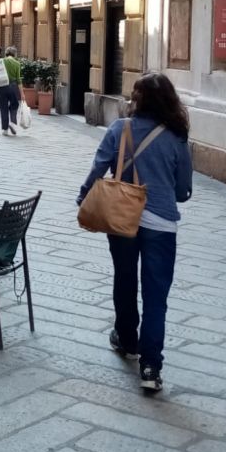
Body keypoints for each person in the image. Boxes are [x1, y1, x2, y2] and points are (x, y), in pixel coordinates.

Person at [77, 73, 193, 393]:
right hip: (161, 224)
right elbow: (184, 190)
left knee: (124, 279)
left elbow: (98, 169)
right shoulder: (177, 137)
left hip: (121, 218)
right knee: (156, 296)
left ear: (137, 99)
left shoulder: (119, 129)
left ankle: (126, 338)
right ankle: (151, 366)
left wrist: (83, 197)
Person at [0, 48, 23, 136]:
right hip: (13, 86)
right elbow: (19, 79)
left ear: (6, 53)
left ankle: (5, 129)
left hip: (2, 86)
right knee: (14, 105)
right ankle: (12, 123)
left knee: (3, 107)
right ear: (14, 54)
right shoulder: (17, 63)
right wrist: (22, 93)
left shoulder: (1, 61)